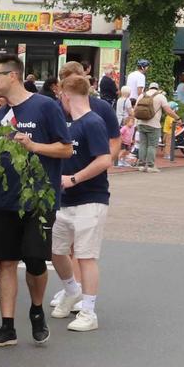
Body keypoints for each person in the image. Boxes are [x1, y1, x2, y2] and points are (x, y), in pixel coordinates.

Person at [0, 53, 71, 348]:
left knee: (34, 260)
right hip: (5, 201)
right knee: (5, 261)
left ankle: (35, 309)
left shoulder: (45, 107)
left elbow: (66, 149)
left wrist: (33, 145)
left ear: (13, 76)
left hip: (40, 201)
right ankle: (7, 327)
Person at [47, 72, 110, 332]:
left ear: (66, 95)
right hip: (66, 200)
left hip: (90, 199)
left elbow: (104, 160)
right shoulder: (69, 123)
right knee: (56, 250)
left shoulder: (92, 122)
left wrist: (73, 179)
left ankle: (89, 311)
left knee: (85, 256)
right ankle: (71, 290)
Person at [134, 84, 175, 170]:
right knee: (152, 146)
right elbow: (168, 110)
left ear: (149, 88)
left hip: (141, 123)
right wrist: (177, 118)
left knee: (143, 144)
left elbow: (135, 109)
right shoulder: (160, 96)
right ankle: (150, 166)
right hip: (154, 124)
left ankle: (141, 165)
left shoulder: (142, 95)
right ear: (158, 88)